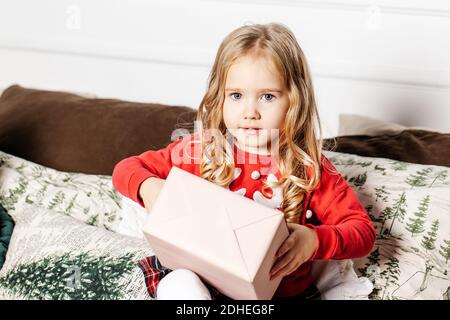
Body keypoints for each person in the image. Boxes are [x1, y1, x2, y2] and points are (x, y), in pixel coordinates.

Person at [112, 22, 376, 300]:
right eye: (236, 96)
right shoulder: (202, 150)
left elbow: (362, 232)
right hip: (204, 285)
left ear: (295, 101)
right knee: (179, 283)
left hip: (275, 296)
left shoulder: (309, 169)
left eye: (267, 97)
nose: (250, 112)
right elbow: (125, 169)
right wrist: (148, 186)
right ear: (220, 97)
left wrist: (313, 241)